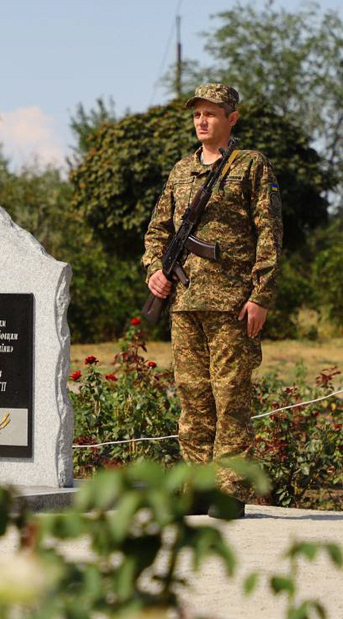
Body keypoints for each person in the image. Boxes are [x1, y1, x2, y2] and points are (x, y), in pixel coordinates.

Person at [142, 83, 283, 518]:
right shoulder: (181, 170)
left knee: (231, 394)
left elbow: (270, 235)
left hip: (232, 303)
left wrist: (260, 296)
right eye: (197, 114)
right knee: (193, 396)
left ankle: (229, 490)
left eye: (211, 113)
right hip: (185, 303)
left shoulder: (250, 166)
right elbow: (156, 231)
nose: (202, 121)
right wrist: (154, 271)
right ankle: (197, 485)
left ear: (232, 118)